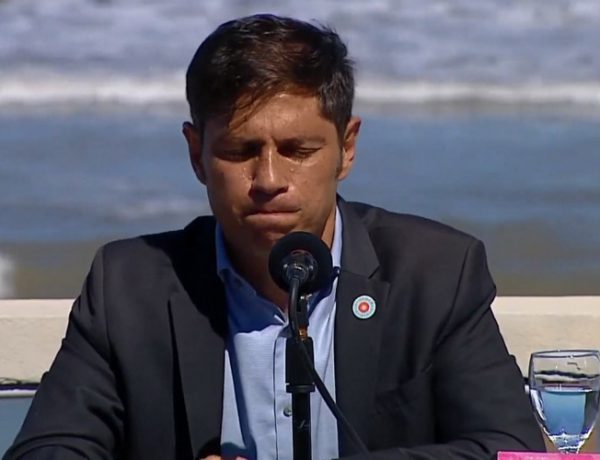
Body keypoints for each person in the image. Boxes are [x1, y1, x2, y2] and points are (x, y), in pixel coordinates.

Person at [4, 14, 545, 460]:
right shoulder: (126, 286)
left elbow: (508, 450)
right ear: (196, 154)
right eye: (239, 151)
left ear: (347, 148)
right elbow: (46, 450)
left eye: (297, 151)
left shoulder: (437, 273)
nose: (268, 179)